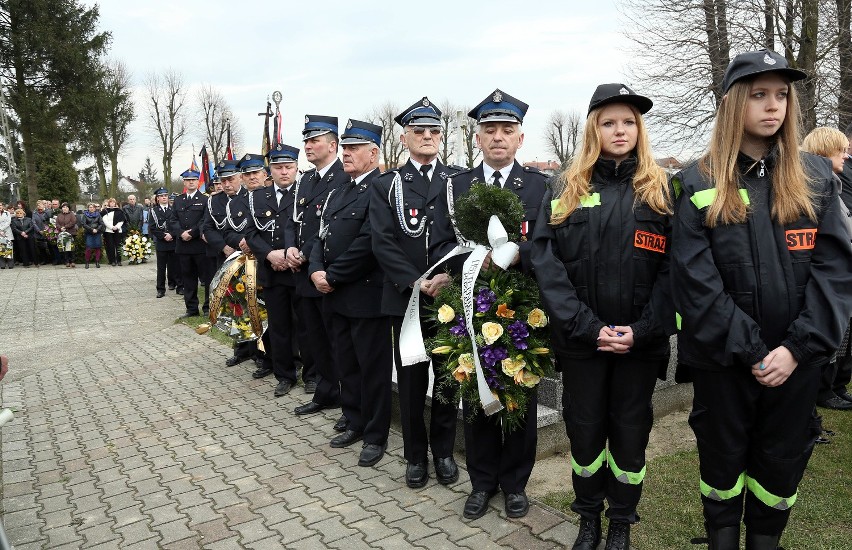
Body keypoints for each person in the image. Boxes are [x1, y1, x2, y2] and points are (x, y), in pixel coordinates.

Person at [671, 50, 852, 550]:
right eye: (758, 95)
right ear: (733, 103)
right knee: (723, 461)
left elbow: (835, 273)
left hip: (797, 365)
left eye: (781, 95)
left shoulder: (816, 176)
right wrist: (751, 349)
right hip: (726, 363)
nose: (773, 106)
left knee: (780, 461)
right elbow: (695, 281)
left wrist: (796, 349)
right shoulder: (696, 181)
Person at [530, 84, 672, 550]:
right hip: (581, 344)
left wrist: (643, 330)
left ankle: (621, 525)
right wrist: (589, 328)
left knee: (630, 437)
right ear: (593, 128)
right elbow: (547, 267)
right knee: (586, 435)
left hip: (640, 345)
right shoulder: (562, 187)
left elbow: (676, 271)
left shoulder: (661, 190)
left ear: (640, 129)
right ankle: (588, 519)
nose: (620, 130)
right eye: (609, 122)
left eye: (629, 122)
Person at [429, 89, 548, 520]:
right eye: (489, 130)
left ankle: (515, 484)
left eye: (507, 130)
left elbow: (548, 244)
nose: (498, 137)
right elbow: (443, 239)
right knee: (474, 393)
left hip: (521, 309)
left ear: (520, 138)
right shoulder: (457, 186)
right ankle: (481, 482)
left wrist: (522, 255)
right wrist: (447, 271)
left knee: (519, 394)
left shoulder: (539, 185)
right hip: (469, 305)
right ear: (476, 138)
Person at [370, 97, 460, 488]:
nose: (427, 136)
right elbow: (383, 240)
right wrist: (415, 281)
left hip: (448, 299)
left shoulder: (458, 180)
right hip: (405, 298)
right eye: (419, 131)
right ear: (404, 138)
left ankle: (442, 452)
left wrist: (449, 279)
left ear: (442, 137)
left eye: (434, 131)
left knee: (447, 379)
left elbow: (468, 238)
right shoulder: (386, 184)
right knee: (409, 382)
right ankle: (414, 457)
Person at [309, 119, 392, 468]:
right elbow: (320, 235)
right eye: (344, 147)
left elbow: (369, 243)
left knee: (372, 369)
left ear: (373, 153)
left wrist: (334, 275)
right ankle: (354, 420)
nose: (346, 153)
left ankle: (375, 434)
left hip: (365, 295)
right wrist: (315, 268)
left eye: (354, 148)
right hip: (335, 295)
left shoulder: (383, 188)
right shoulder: (339, 190)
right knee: (347, 364)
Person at [290, 115, 348, 424]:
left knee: (335, 340)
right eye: (307, 141)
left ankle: (346, 399)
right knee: (315, 339)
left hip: (325, 272)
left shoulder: (342, 177)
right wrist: (289, 247)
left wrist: (306, 254)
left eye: (314, 140)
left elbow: (331, 229)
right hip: (303, 272)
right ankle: (326, 392)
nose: (308, 146)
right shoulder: (306, 179)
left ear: (333, 144)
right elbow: (294, 220)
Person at [800, 126, 852, 411]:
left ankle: (829, 389)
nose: (845, 156)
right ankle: (817, 400)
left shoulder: (833, 183)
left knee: (840, 342)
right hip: (816, 281)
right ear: (823, 151)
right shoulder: (814, 187)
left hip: (834, 276)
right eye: (840, 150)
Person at [244, 145, 302, 397]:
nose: (284, 171)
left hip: (299, 271)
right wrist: (269, 254)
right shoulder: (258, 197)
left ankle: (311, 374)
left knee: (306, 326)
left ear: (297, 168)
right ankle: (284, 375)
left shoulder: (304, 194)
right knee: (278, 326)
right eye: (278, 167)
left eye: (289, 167)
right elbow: (250, 233)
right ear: (271, 171)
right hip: (271, 271)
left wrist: (292, 255)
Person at [170, 166, 209, 318]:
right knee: (188, 279)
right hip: (183, 246)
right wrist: (181, 233)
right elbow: (172, 220)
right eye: (188, 180)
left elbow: (205, 220)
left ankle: (207, 308)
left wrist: (192, 233)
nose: (191, 182)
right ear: (184, 183)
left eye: (193, 180)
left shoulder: (205, 199)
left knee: (206, 279)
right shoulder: (179, 200)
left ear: (198, 182)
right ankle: (191, 309)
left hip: (199, 245)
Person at [150, 188, 180, 298]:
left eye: (166, 196)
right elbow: (152, 228)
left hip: (173, 241)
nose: (164, 198)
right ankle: (160, 289)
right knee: (161, 268)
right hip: (162, 243)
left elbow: (177, 224)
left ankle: (179, 286)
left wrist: (172, 234)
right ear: (158, 199)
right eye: (161, 196)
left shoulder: (173, 209)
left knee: (176, 266)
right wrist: (163, 236)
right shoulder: (154, 211)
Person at [101, 198, 126, 266]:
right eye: (111, 202)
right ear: (109, 203)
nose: (112, 204)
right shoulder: (105, 211)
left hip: (118, 230)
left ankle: (119, 260)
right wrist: (112, 227)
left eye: (113, 202)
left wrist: (116, 227)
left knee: (118, 246)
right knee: (110, 246)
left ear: (115, 203)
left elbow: (121, 221)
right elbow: (105, 221)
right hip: (109, 231)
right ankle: (112, 261)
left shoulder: (119, 211)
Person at [81, 203, 105, 268]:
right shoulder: (85, 215)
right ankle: (87, 262)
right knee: (88, 248)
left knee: (98, 247)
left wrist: (97, 229)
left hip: (97, 233)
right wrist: (92, 229)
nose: (92, 208)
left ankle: (97, 262)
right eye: (90, 207)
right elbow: (84, 224)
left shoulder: (98, 214)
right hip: (89, 233)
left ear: (95, 208)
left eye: (93, 207)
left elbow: (101, 223)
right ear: (88, 208)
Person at [55, 202, 78, 268]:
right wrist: (60, 228)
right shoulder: (59, 215)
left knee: (71, 247)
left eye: (66, 207)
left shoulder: (71, 214)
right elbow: (57, 223)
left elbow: (73, 222)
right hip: (62, 233)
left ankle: (73, 261)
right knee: (64, 248)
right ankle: (67, 261)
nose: (65, 209)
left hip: (71, 233)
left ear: (68, 208)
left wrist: (65, 227)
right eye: (63, 207)